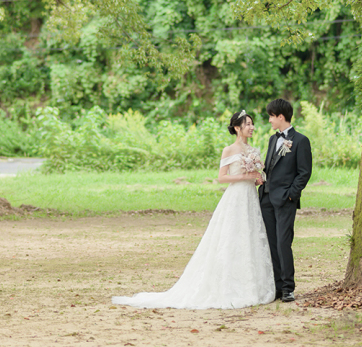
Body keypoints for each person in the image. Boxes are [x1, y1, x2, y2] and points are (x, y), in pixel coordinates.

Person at [112, 110, 275, 309]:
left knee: (248, 237)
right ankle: (227, 285)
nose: (252, 127)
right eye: (247, 124)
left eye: (252, 124)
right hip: (235, 198)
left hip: (250, 197)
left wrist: (258, 177)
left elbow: (255, 174)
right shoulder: (229, 150)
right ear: (236, 128)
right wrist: (244, 177)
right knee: (230, 238)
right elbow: (222, 177)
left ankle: (251, 285)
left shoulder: (253, 150)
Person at [260, 98, 312, 303]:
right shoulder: (273, 140)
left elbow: (304, 173)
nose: (270, 120)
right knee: (272, 244)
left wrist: (291, 194)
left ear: (280, 116)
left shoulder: (301, 141)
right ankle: (278, 288)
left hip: (285, 200)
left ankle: (289, 287)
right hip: (266, 198)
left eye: (271, 116)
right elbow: (269, 167)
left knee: (283, 243)